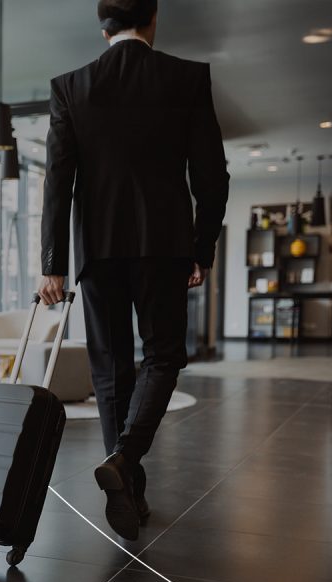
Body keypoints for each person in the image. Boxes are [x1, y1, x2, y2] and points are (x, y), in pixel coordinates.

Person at [37, 0, 229, 540]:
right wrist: (203, 247)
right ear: (153, 19)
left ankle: (130, 488)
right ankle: (124, 462)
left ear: (104, 29)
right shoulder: (186, 78)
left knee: (110, 369)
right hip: (165, 245)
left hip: (96, 250)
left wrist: (52, 263)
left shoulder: (70, 87)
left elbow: (58, 183)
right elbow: (212, 178)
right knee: (163, 356)